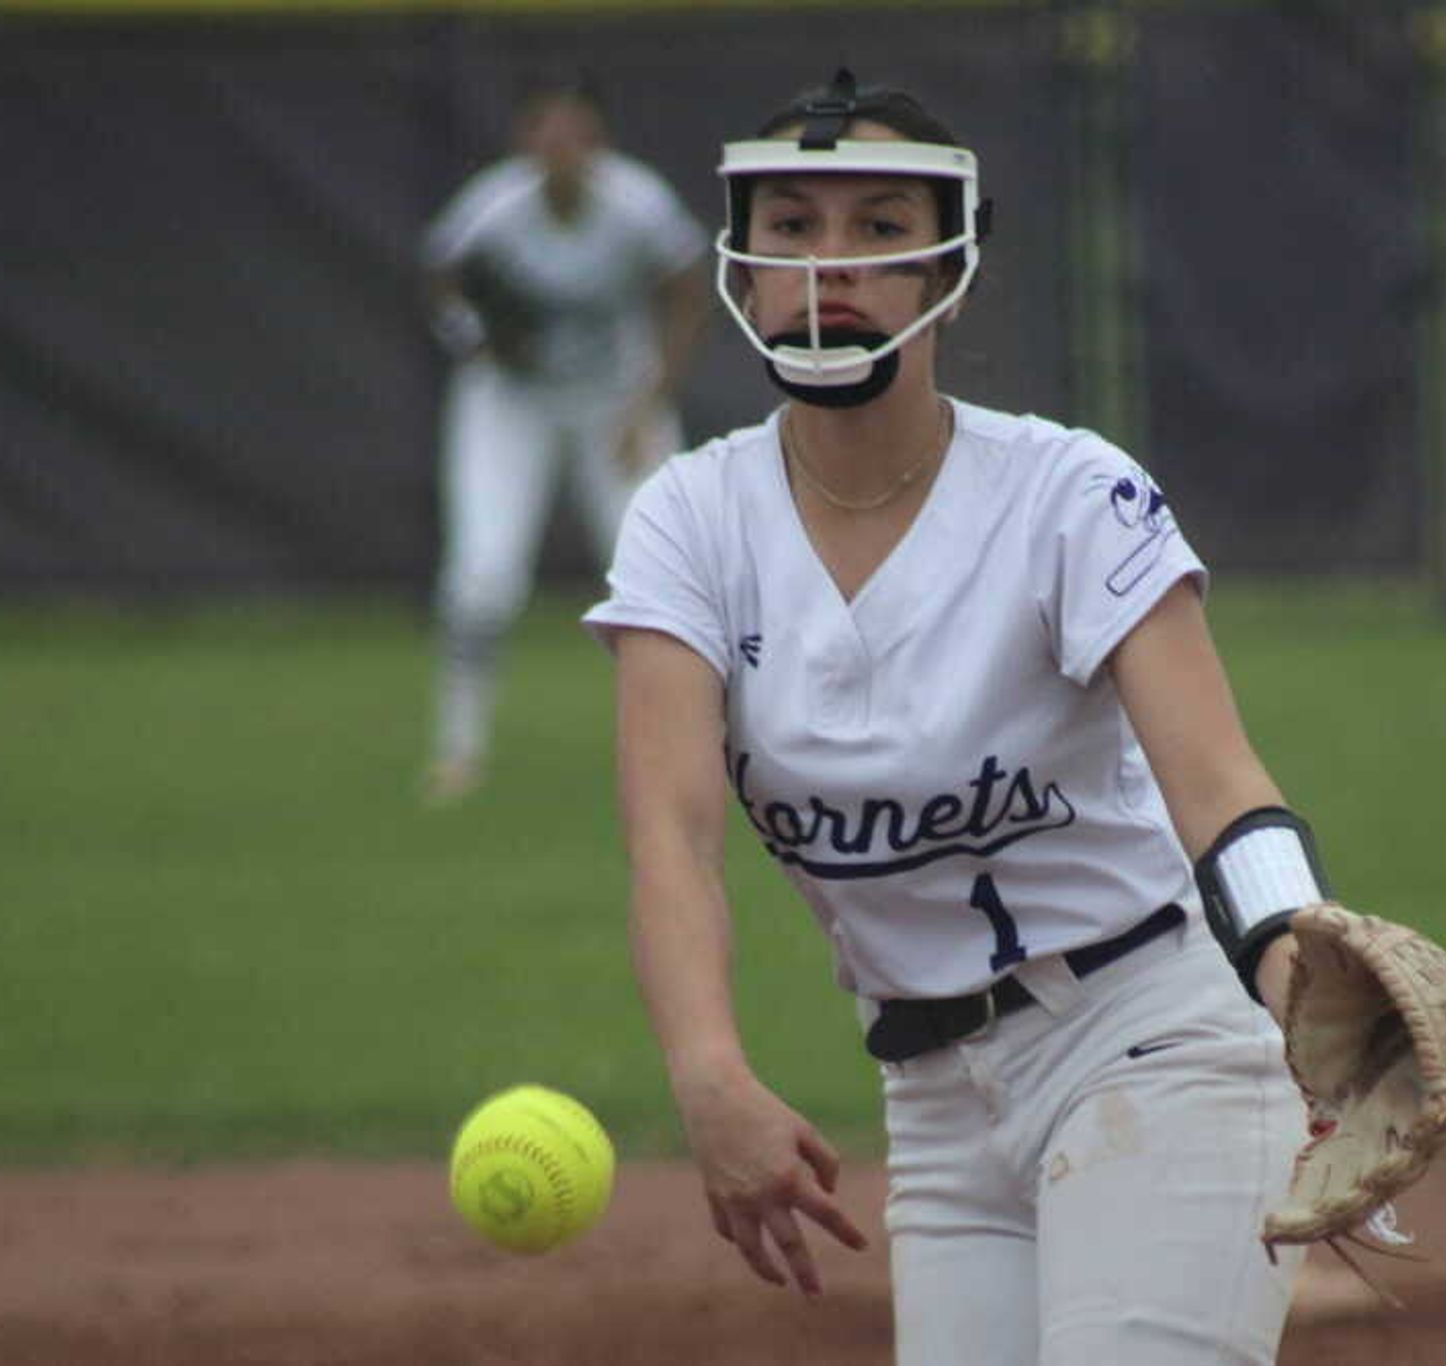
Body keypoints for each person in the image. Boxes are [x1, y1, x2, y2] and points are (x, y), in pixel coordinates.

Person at [583, 69, 1328, 1364]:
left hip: (1153, 1039)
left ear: (947, 267)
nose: (831, 264)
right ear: (741, 268)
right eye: (794, 227)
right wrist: (707, 1072)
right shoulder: (690, 521)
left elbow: (1221, 789)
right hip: (932, 1103)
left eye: (880, 226)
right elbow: (672, 841)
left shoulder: (1066, 492)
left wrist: (1298, 964)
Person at [422, 76, 710, 804]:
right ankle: (459, 750)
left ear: (598, 144)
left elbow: (687, 285)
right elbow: (440, 275)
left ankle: (690, 746)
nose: (561, 151)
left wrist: (649, 404)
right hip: (512, 403)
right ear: (525, 143)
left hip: (615, 400)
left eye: (577, 135)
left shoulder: (634, 202)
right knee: (483, 575)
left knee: (662, 572)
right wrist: (478, 340)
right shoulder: (496, 206)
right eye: (547, 135)